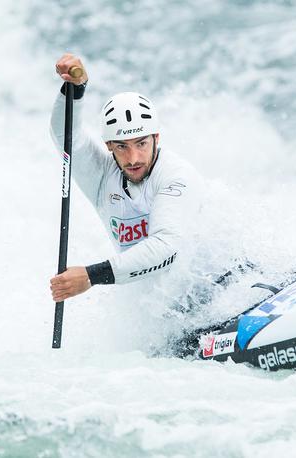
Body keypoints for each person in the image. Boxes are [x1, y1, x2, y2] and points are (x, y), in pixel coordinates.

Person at [49, 53, 201, 303]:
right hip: (169, 309)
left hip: (222, 290)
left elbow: (166, 247)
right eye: (121, 146)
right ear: (108, 145)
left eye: (141, 143)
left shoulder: (176, 176)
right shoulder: (102, 176)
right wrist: (76, 89)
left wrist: (90, 276)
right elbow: (64, 135)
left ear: (156, 138)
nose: (133, 158)